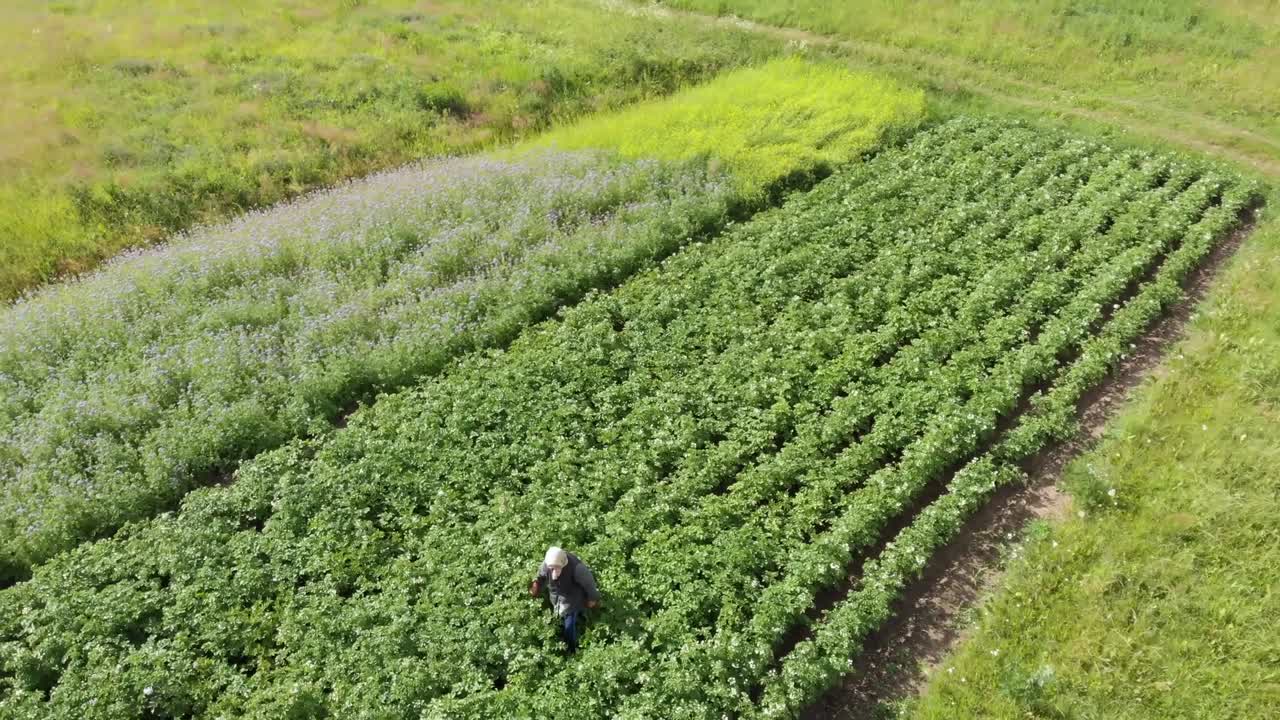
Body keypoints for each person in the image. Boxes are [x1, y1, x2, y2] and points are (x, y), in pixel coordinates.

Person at [529, 546, 600, 653]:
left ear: (562, 563)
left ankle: (570, 649)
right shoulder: (548, 563)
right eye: (551, 568)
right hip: (555, 596)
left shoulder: (577, 568)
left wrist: (592, 599)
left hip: (571, 600)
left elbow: (589, 584)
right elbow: (541, 576)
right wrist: (536, 585)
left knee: (569, 626)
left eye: (556, 567)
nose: (553, 570)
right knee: (558, 616)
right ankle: (560, 629)